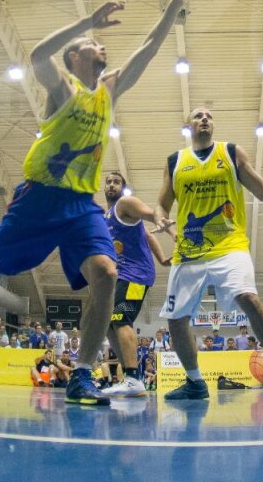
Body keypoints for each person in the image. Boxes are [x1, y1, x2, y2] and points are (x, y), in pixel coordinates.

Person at [0, 0, 191, 406]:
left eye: (99, 44)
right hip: (38, 198)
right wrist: (86, 20)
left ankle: (82, 375)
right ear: (74, 59)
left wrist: (173, 6)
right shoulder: (62, 89)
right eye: (92, 45)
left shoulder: (108, 91)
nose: (102, 47)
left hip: (81, 205)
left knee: (106, 273)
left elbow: (149, 49)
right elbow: (36, 54)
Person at [156, 106, 263, 400]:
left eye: (209, 116)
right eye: (198, 115)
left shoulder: (230, 152)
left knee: (248, 297)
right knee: (175, 319)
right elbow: (161, 205)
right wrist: (161, 218)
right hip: (190, 250)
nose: (204, 118)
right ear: (188, 124)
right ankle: (194, 382)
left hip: (230, 244)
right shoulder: (175, 161)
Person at [99, 170, 172, 398]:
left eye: (116, 182)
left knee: (121, 319)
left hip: (135, 274)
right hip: (121, 275)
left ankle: (132, 378)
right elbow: (147, 235)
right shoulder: (107, 215)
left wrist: (163, 223)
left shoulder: (125, 204)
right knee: (110, 325)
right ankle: (131, 380)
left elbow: (150, 215)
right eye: (108, 182)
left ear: (123, 187)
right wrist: (161, 258)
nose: (111, 185)